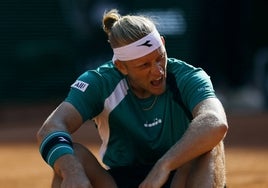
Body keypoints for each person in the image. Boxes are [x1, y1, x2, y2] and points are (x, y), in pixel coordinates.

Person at [37, 9, 228, 188]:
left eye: (160, 57)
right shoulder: (100, 82)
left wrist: (163, 166)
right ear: (121, 67)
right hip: (120, 180)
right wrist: (72, 172)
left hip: (179, 175)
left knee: (209, 145)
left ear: (162, 42)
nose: (158, 71)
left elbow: (215, 122)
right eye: (144, 65)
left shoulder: (188, 76)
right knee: (71, 157)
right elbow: (51, 128)